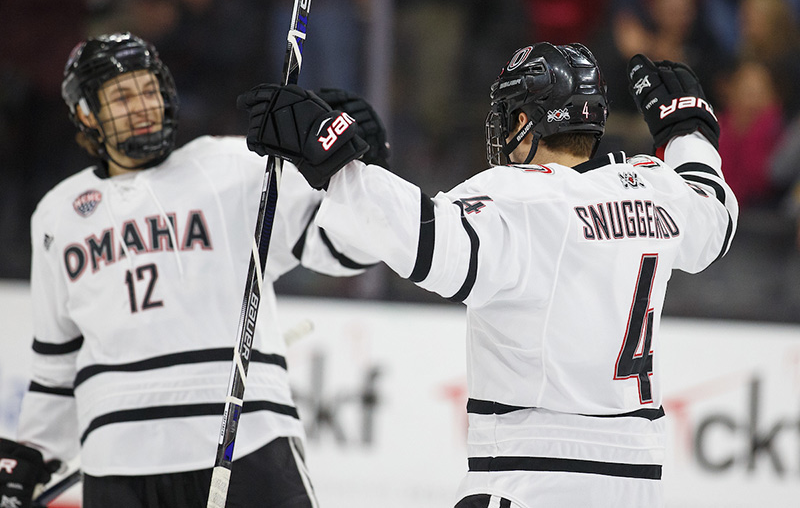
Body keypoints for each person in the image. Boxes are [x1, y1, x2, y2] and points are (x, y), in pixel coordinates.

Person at [237, 42, 738, 506]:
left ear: (523, 120)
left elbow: (434, 247)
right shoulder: (655, 190)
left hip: (533, 478)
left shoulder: (524, 196)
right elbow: (715, 219)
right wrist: (687, 134)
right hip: (638, 480)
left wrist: (335, 161)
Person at [0, 32, 388, 508]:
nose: (142, 105)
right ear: (85, 114)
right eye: (121, 96)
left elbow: (348, 249)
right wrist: (35, 451)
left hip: (244, 439)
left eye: (148, 90)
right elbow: (57, 362)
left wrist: (360, 173)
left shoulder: (235, 165)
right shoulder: (57, 214)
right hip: (118, 462)